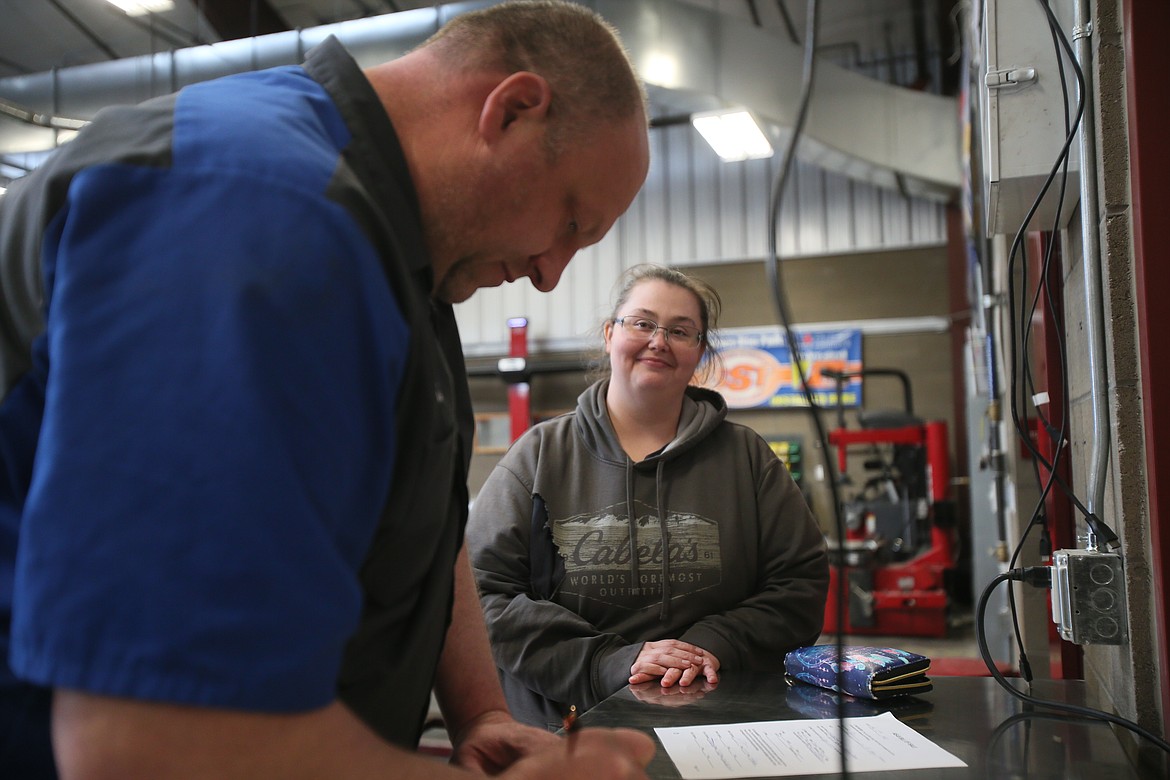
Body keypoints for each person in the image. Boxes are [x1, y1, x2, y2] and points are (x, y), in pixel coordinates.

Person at [0, 2, 655, 778]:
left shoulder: (411, 259)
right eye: (570, 222)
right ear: (510, 110)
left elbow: (422, 528)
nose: (551, 272)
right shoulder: (256, 214)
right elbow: (148, 743)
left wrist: (482, 710)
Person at [466, 264, 830, 729]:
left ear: (700, 352)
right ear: (609, 334)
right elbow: (482, 594)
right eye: (642, 323)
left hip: (717, 723)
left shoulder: (748, 459)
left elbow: (799, 585)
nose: (659, 340)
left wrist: (712, 644)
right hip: (565, 729)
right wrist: (607, 663)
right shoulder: (537, 456)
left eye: (681, 331)